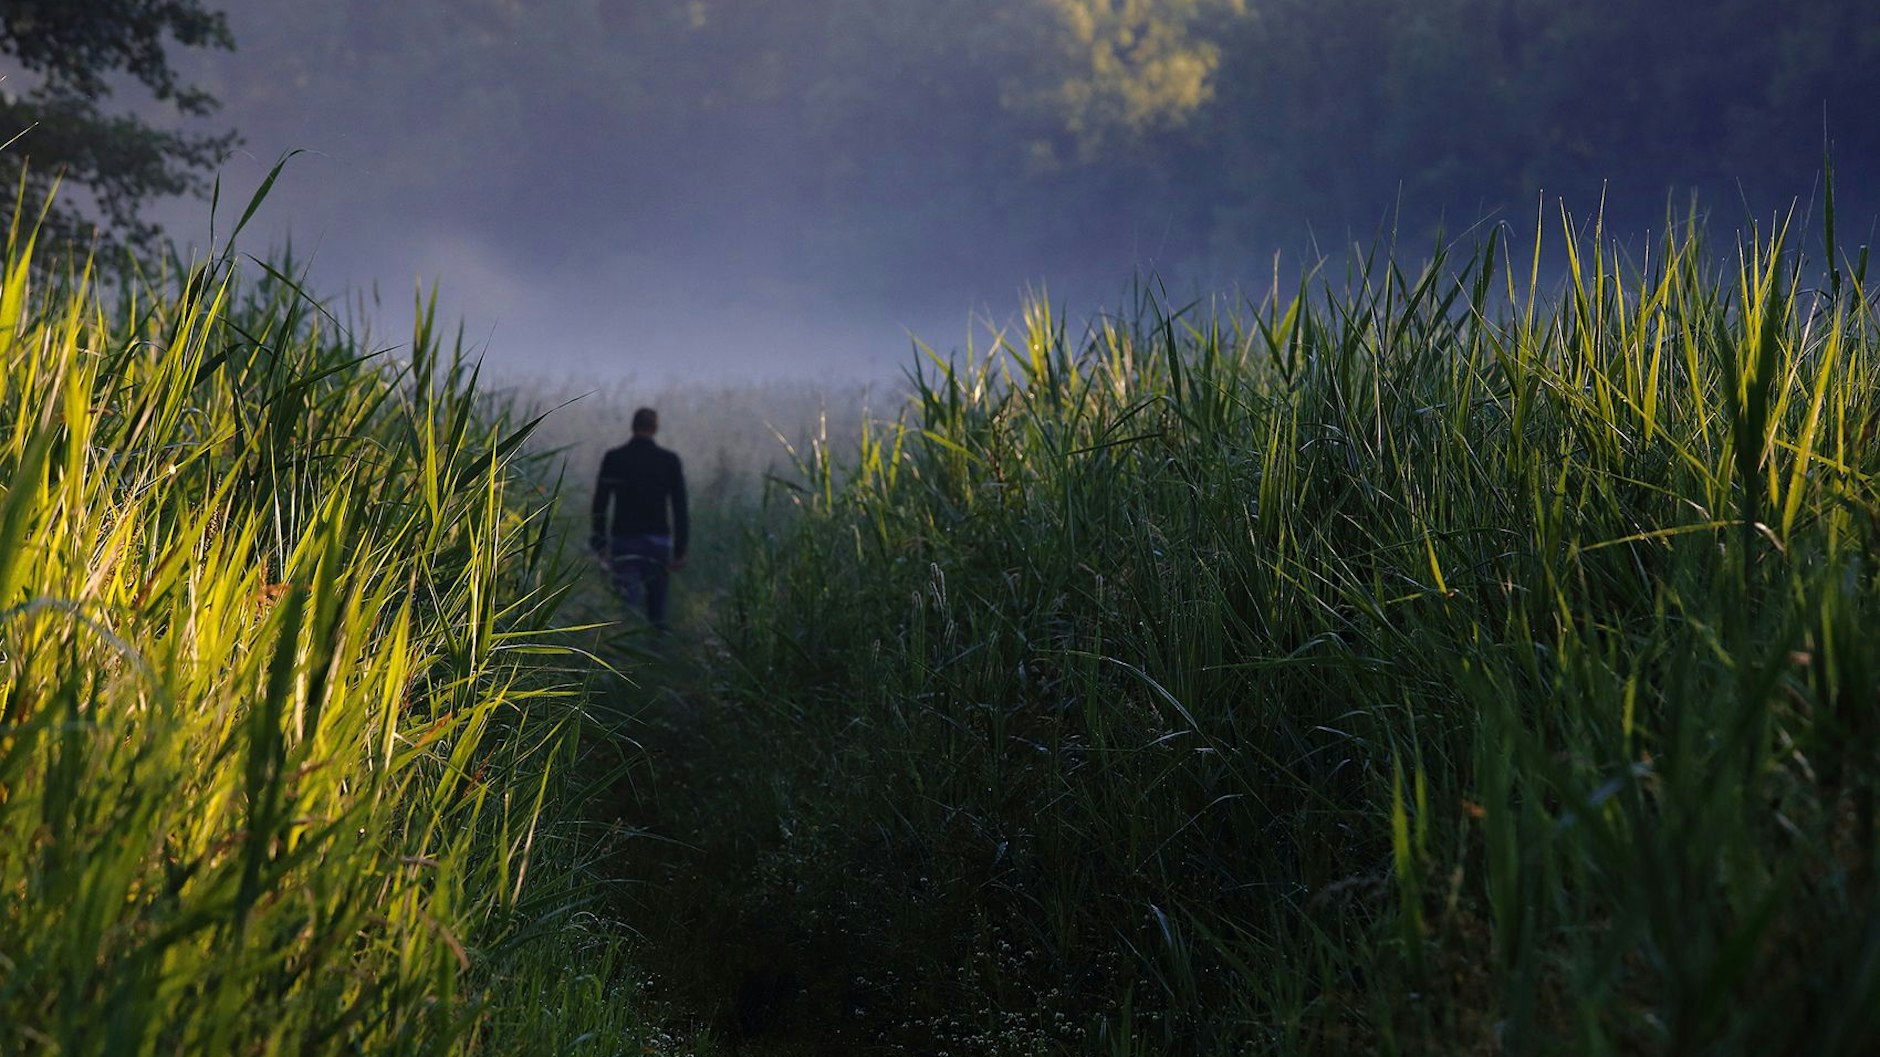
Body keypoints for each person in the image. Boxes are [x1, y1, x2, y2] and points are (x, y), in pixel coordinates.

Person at [591, 407, 689, 630]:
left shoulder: (614, 458)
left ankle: (624, 656)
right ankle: (656, 655)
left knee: (626, 606)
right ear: (655, 428)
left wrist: (599, 543)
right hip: (658, 542)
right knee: (657, 608)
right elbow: (679, 507)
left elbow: (600, 504)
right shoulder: (669, 461)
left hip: (624, 541)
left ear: (632, 427)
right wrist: (680, 549)